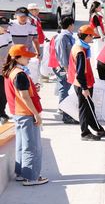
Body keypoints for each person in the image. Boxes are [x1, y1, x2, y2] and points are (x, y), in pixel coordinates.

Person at [2, 45, 46, 185]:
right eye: (26, 56)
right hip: (26, 113)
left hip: (18, 113)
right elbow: (25, 97)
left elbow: (21, 92)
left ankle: (22, 173)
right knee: (31, 146)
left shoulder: (11, 71)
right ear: (18, 57)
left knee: (22, 144)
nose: (28, 58)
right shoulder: (20, 74)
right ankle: (31, 177)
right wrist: (36, 115)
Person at [68, 25, 105, 141]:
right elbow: (80, 73)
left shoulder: (78, 46)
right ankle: (85, 133)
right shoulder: (81, 52)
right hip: (82, 84)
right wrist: (84, 88)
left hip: (83, 83)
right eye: (92, 36)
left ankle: (97, 128)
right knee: (84, 108)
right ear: (87, 36)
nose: (93, 39)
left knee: (90, 106)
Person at [48, 16, 77, 124]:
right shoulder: (62, 37)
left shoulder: (68, 36)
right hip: (60, 66)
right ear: (70, 25)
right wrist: (66, 70)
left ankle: (63, 107)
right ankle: (64, 109)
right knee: (65, 86)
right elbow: (62, 56)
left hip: (64, 66)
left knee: (64, 85)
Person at [0, 17, 11, 123]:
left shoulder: (8, 35)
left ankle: (2, 112)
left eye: (6, 26)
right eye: (3, 26)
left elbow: (11, 50)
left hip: (5, 70)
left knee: (4, 93)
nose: (5, 28)